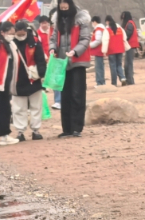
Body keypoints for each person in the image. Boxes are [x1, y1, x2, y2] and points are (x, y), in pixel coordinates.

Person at [50, 0, 92, 137]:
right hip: (62, 62)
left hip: (77, 61)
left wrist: (75, 51)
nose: (63, 7)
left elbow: (85, 39)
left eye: (65, 4)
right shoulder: (58, 20)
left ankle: (76, 127)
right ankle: (67, 128)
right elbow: (53, 38)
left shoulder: (81, 19)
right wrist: (52, 48)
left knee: (77, 94)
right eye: (61, 5)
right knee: (65, 95)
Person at [12, 20, 48, 141]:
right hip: (17, 80)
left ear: (26, 31)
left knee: (36, 106)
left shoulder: (35, 41)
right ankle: (20, 131)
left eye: (22, 33)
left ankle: (36, 130)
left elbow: (40, 59)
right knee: (18, 108)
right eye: (18, 33)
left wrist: (42, 73)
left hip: (33, 78)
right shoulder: (11, 43)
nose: (21, 35)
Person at [38, 15, 60, 109]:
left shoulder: (53, 31)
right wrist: (45, 57)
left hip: (54, 58)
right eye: (42, 23)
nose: (44, 25)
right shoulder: (38, 34)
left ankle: (58, 101)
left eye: (46, 23)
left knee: (56, 79)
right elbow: (39, 48)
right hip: (44, 60)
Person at [103, 15, 129, 87]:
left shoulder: (107, 30)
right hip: (120, 49)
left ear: (107, 22)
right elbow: (124, 38)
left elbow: (105, 41)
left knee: (113, 66)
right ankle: (123, 78)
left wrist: (104, 51)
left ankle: (114, 82)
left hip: (111, 51)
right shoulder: (120, 28)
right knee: (119, 65)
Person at [121, 11, 139, 84]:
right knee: (128, 63)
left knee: (128, 64)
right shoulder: (131, 23)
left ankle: (130, 80)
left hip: (130, 45)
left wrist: (123, 39)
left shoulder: (129, 24)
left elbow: (128, 34)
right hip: (131, 45)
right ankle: (129, 79)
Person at [90, 15, 106, 86]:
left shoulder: (98, 30)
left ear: (94, 22)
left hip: (98, 51)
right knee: (100, 67)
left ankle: (100, 82)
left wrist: (89, 45)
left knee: (98, 67)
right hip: (100, 51)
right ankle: (101, 82)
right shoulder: (101, 28)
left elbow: (98, 40)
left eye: (92, 22)